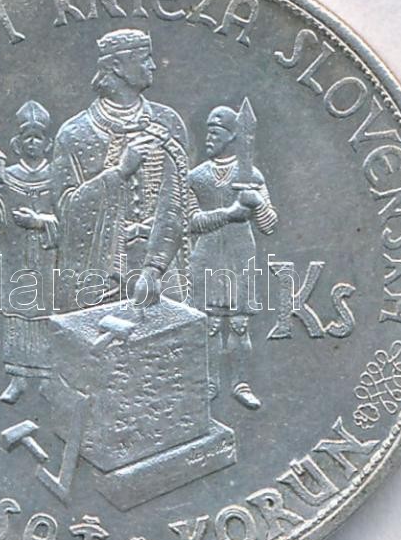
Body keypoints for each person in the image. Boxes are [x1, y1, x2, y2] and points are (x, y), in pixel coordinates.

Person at [51, 29, 190, 310]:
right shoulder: (75, 134)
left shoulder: (168, 123)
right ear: (117, 66)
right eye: (144, 58)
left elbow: (177, 205)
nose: (153, 65)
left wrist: (154, 268)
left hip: (162, 275)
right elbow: (66, 213)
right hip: (97, 279)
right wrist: (120, 172)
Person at [0, 100, 59, 404]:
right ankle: (17, 379)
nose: (32, 143)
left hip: (49, 262)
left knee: (47, 318)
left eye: (38, 137)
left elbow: (72, 221)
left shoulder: (59, 178)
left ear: (48, 143)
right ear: (17, 143)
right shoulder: (4, 179)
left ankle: (47, 380)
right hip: (15, 261)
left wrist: (40, 222)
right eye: (27, 137)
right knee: (16, 319)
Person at [188, 104, 278, 410]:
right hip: (207, 256)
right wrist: (229, 214)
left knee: (239, 325)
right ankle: (210, 383)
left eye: (215, 132)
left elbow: (269, 225)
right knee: (210, 325)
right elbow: (191, 223)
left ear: (232, 136)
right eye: (207, 132)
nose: (208, 138)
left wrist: (257, 204)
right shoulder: (196, 177)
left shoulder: (251, 176)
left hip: (241, 256)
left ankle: (240, 384)